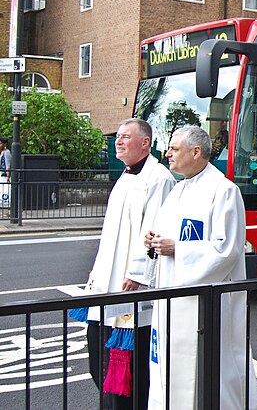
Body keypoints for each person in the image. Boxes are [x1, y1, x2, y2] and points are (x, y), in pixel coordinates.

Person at [145, 126, 257, 409]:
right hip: (173, 290)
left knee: (212, 362)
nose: (167, 153)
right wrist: (153, 240)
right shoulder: (177, 189)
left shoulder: (224, 191)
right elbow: (166, 233)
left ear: (196, 152)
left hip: (205, 299)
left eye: (174, 148)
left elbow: (227, 249)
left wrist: (177, 249)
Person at [82, 119, 175, 410]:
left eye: (125, 137)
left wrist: (137, 273)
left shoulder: (158, 178)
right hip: (107, 281)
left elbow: (153, 228)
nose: (118, 142)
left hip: (130, 285)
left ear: (145, 143)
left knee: (129, 371)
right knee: (98, 357)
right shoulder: (126, 176)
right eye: (117, 137)